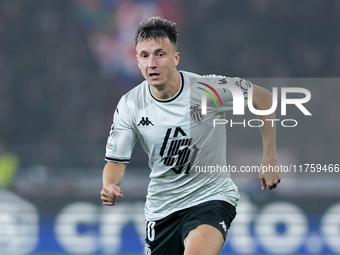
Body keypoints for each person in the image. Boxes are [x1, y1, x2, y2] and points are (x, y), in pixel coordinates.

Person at [100, 16, 281, 255]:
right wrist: (109, 184)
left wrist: (269, 158)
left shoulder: (206, 90)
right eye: (144, 56)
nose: (152, 63)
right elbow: (115, 162)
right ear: (136, 60)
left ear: (176, 58)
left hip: (211, 198)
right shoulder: (130, 104)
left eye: (160, 54)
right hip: (162, 210)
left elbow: (263, 98)